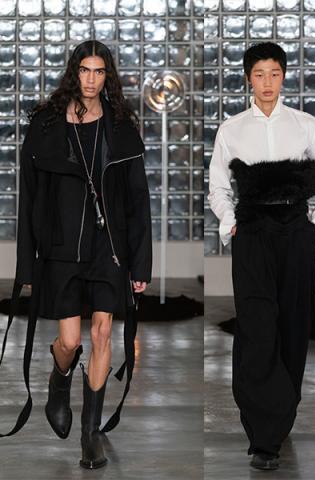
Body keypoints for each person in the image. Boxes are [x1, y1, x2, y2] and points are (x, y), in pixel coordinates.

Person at [1, 40, 152, 470]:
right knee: (70, 341)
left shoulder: (120, 127)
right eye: (85, 70)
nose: (91, 79)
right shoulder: (46, 125)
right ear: (74, 72)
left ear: (108, 77)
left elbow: (138, 198)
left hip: (109, 248)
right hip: (62, 247)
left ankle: (90, 434)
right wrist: (26, 264)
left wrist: (141, 262)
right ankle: (60, 376)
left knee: (102, 334)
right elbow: (29, 197)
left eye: (99, 71)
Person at [208, 42, 315, 471]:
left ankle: (280, 418)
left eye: (274, 73)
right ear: (248, 78)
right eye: (259, 74)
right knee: (256, 328)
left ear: (284, 76)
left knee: (293, 326)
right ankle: (262, 436)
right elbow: (217, 187)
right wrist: (231, 221)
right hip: (252, 235)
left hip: (295, 233)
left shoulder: (306, 125)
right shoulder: (231, 129)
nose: (267, 83)